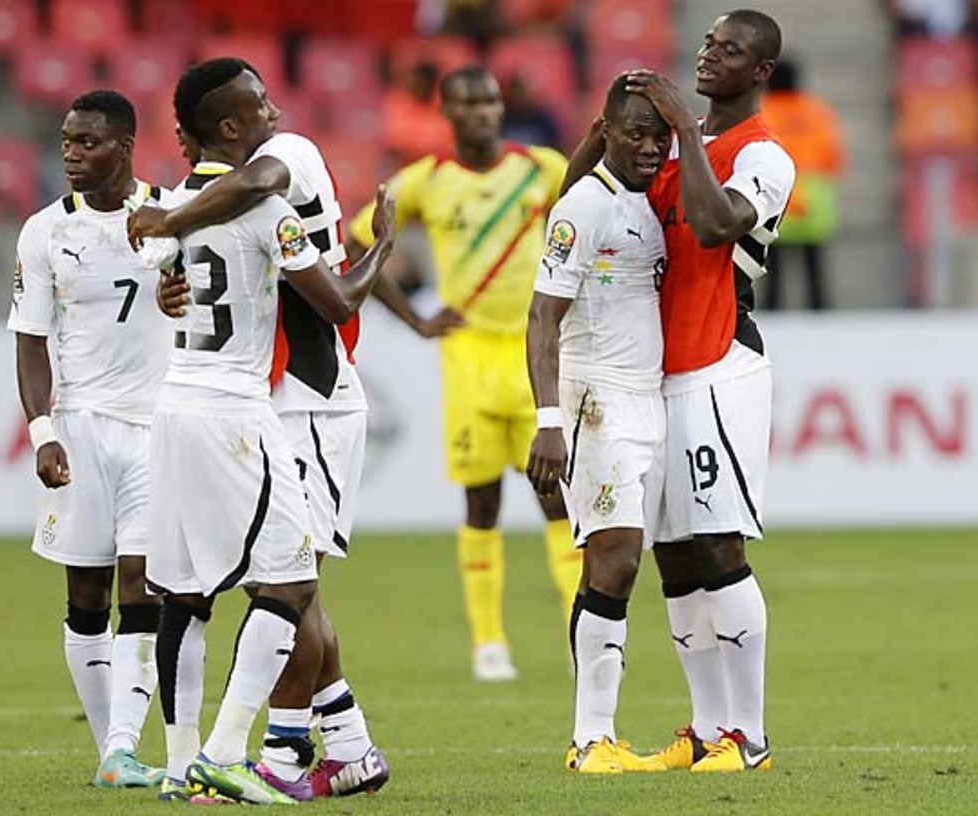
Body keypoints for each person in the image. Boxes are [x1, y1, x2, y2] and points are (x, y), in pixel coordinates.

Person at [133, 58, 397, 804]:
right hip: (254, 405)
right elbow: (336, 296)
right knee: (287, 585)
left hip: (228, 400)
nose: (278, 114)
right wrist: (383, 244)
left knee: (211, 590)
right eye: (261, 105)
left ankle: (221, 758)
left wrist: (166, 252)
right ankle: (254, 751)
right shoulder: (256, 195)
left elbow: (168, 260)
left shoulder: (190, 195)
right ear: (228, 126)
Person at [349, 65, 579, 682]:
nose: (483, 112)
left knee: (557, 498)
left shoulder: (544, 168)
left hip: (538, 353)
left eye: (491, 101)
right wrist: (414, 319)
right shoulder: (426, 182)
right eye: (469, 103)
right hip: (470, 355)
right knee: (482, 502)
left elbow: (594, 224)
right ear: (445, 112)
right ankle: (488, 643)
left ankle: (577, 634)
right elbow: (359, 242)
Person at [624, 10, 795, 772]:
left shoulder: (764, 156)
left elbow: (716, 223)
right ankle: (704, 728)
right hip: (654, 371)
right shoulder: (672, 141)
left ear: (760, 72)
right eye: (707, 42)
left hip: (718, 361)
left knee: (719, 546)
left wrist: (689, 138)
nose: (709, 55)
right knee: (674, 557)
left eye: (730, 50)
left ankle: (748, 734)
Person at [7, 90, 167, 788]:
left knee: (144, 585)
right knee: (87, 595)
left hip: (160, 427)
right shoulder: (44, 231)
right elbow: (31, 340)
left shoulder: (173, 217)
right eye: (66, 141)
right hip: (80, 425)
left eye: (87, 142)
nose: (71, 153)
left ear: (125, 146)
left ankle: (124, 745)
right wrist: (42, 431)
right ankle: (114, 752)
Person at [526, 79, 671, 774]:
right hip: (595, 399)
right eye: (635, 131)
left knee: (623, 560)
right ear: (606, 130)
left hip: (650, 397)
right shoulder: (584, 206)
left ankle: (599, 737)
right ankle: (591, 739)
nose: (649, 146)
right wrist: (549, 419)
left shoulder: (643, 202)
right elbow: (542, 315)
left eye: (660, 134)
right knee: (615, 556)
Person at [760, 58, 844, 310]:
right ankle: (819, 314)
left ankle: (772, 316)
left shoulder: (762, 112)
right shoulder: (818, 111)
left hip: (776, 192)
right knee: (814, 265)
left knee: (770, 267)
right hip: (813, 195)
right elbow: (832, 155)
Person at [384, 60, 451, 165]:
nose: (420, 87)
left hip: (439, 167)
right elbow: (397, 143)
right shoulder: (398, 103)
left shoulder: (445, 105)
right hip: (406, 166)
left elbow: (446, 145)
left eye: (425, 83)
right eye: (417, 82)